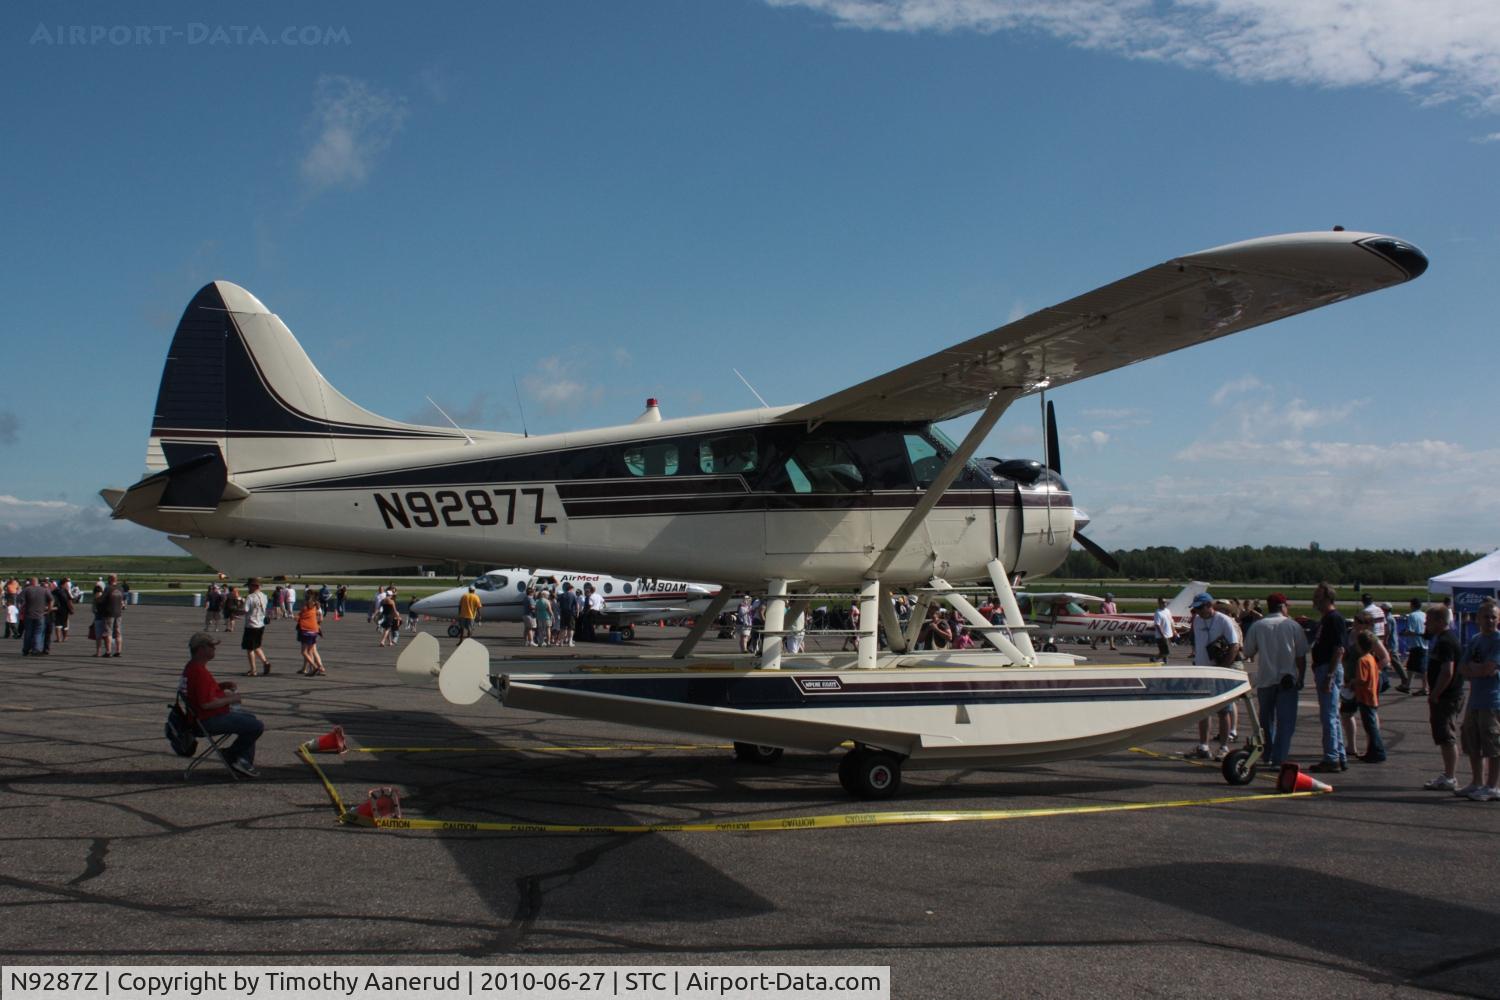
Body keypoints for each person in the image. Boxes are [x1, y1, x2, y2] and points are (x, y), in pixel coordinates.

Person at [179, 632, 263, 777]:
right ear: (201, 649)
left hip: (201, 718)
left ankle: (241, 759)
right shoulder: (198, 671)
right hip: (207, 720)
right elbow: (206, 703)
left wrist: (221, 686)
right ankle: (234, 756)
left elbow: (201, 692)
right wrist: (232, 699)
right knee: (255, 726)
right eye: (211, 646)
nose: (214, 649)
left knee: (251, 720)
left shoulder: (193, 667)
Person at [1242, 592, 1307, 767]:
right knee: (1286, 722)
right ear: (1282, 607)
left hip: (1265, 679)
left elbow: (1247, 652)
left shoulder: (1258, 626)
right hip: (1287, 680)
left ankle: (1267, 753)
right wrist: (1302, 677)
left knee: (1266, 720)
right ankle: (1279, 757)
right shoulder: (1293, 626)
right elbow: (1301, 656)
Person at [1456, 598, 1500, 800]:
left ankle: (1492, 786)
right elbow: (1462, 668)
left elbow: (1488, 669)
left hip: (1492, 701)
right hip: (1475, 699)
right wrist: (1476, 670)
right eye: (1486, 617)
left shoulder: (1498, 640)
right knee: (1472, 742)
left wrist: (1476, 669)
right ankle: (1476, 782)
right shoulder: (1475, 639)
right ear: (1478, 619)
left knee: (1492, 744)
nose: (1490, 620)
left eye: (1493, 617)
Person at [1189, 592, 1241, 758]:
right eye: (1195, 609)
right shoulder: (1197, 621)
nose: (1197, 612)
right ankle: (1203, 745)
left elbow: (1234, 645)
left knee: (1223, 710)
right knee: (1203, 710)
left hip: (1219, 670)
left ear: (1208, 606)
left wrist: (1223, 669)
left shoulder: (1224, 620)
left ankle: (1224, 747)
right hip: (1203, 670)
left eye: (1199, 608)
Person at [1423, 605, 1465, 792]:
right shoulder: (1443, 639)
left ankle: (1450, 776)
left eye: (1429, 620)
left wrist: (1435, 694)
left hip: (1446, 697)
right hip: (1446, 695)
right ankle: (1448, 774)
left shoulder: (1446, 641)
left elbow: (1447, 672)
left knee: (1446, 735)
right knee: (1443, 735)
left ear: (1441, 621)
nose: (1426, 624)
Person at [1308, 582, 1349, 774]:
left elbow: (1339, 648)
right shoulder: (1325, 619)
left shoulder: (1334, 619)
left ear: (1327, 599)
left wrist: (1330, 674)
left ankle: (1331, 757)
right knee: (1331, 715)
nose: (1315, 601)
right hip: (1323, 668)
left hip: (1328, 669)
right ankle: (1339, 754)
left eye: (1318, 597)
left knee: (1329, 716)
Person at [1351, 631, 1387, 763]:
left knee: (1370, 727)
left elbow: (1362, 679)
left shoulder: (1362, 660)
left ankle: (1378, 751)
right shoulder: (1372, 658)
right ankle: (1372, 751)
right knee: (1371, 726)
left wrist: (1352, 683)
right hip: (1372, 695)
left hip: (1365, 696)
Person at [241, 578, 271, 676]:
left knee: (250, 649)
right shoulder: (264, 596)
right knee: (257, 646)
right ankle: (265, 662)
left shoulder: (250, 597)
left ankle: (253, 670)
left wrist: (236, 612)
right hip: (260, 624)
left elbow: (245, 610)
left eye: (249, 586)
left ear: (254, 586)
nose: (248, 588)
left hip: (251, 625)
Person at [1400, 597, 1427, 695]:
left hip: (1416, 644)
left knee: (1422, 668)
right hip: (1423, 643)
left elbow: (1411, 630)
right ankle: (1407, 685)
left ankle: (1425, 688)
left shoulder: (1412, 616)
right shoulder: (1424, 614)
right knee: (1411, 666)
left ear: (1412, 605)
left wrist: (1404, 633)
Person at [19, 577, 52, 656]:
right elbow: (51, 599)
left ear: (30, 582)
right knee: (38, 633)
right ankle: (36, 649)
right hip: (40, 615)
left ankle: (26, 650)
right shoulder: (44, 590)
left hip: (29, 615)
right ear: (37, 582)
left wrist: (22, 610)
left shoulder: (26, 590)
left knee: (28, 632)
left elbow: (21, 601)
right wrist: (49, 610)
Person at [297, 587, 326, 674]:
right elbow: (321, 618)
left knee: (311, 650)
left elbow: (300, 616)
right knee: (311, 650)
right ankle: (305, 668)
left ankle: (319, 668)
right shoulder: (317, 605)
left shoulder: (306, 605)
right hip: (315, 629)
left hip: (307, 628)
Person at [1152, 596, 1175, 663]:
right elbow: (1157, 625)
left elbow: (1171, 621)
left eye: (1165, 602)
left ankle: (1164, 661)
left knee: (1165, 651)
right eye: (1163, 602)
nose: (1165, 603)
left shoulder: (1168, 611)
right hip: (1161, 636)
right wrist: (1163, 635)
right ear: (1159, 603)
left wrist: (1174, 631)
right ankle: (1154, 659)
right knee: (1165, 652)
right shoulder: (1158, 613)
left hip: (1169, 635)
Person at [556, 583, 578, 647]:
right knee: (571, 628)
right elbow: (576, 604)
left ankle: (561, 642)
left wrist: (561, 608)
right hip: (571, 613)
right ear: (571, 589)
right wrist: (577, 612)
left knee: (563, 628)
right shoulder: (573, 595)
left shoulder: (562, 595)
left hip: (563, 613)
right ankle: (570, 642)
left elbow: (558, 603)